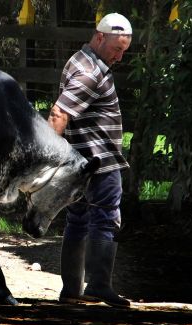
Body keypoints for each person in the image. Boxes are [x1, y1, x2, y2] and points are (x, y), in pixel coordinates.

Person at [48, 13, 132, 308]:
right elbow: (59, 113)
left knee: (78, 219)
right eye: (116, 49)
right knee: (106, 217)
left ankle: (72, 289)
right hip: (101, 161)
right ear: (100, 37)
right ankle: (98, 285)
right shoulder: (91, 72)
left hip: (80, 159)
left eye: (123, 50)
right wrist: (47, 160)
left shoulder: (80, 60)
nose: (119, 57)